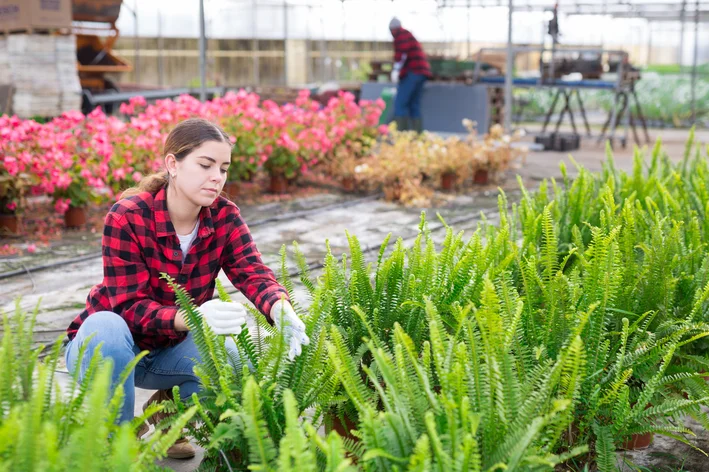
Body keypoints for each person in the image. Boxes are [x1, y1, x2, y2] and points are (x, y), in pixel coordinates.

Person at [64, 118, 309, 459]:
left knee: (236, 362)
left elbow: (252, 272)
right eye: (205, 164)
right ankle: (118, 444)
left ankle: (169, 417)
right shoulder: (128, 216)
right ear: (172, 164)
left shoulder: (223, 216)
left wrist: (278, 306)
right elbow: (128, 306)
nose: (217, 177)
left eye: (223, 168)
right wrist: (190, 316)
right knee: (106, 326)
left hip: (167, 350)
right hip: (109, 346)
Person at [389, 17, 432, 133]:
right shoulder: (408, 35)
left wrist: (396, 70)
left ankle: (402, 136)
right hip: (422, 73)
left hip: (413, 72)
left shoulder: (401, 36)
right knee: (414, 105)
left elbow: (402, 54)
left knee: (400, 103)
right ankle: (417, 136)